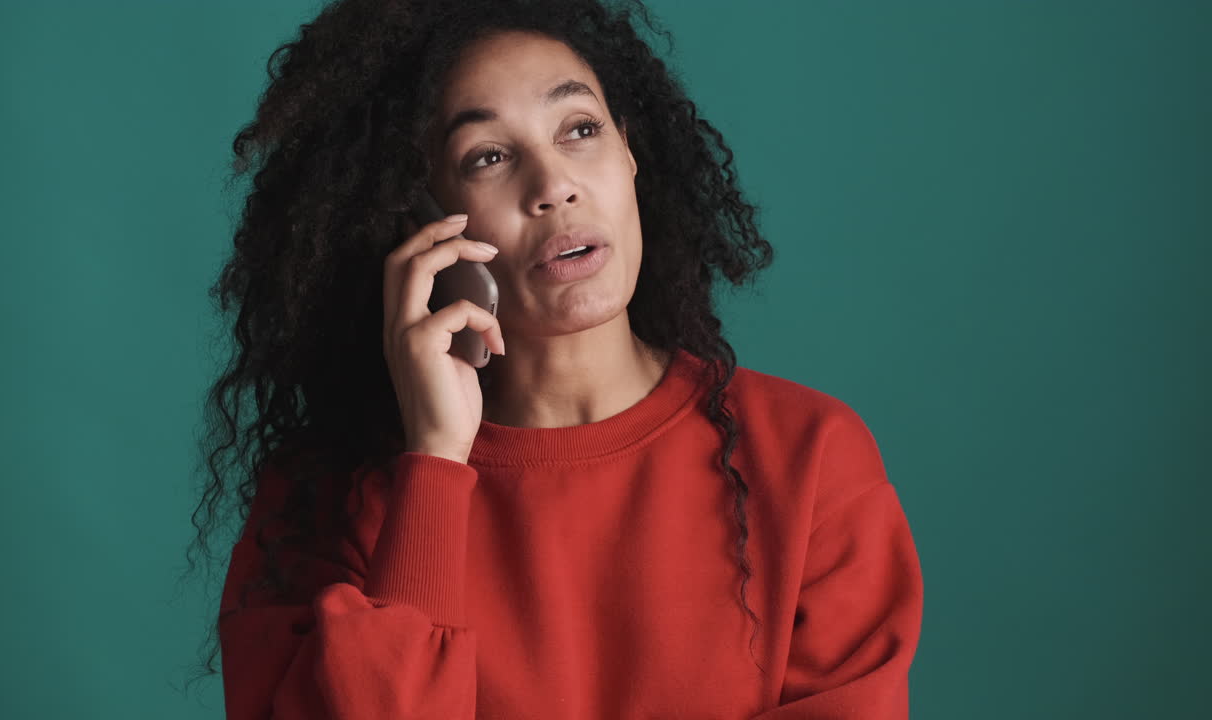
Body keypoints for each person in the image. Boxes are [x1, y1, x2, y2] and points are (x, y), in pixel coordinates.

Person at [189, 0, 924, 717]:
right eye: (489, 157)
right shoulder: (321, 504)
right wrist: (436, 467)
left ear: (630, 152)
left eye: (579, 129)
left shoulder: (809, 457)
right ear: (417, 220)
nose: (553, 187)